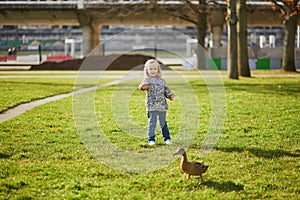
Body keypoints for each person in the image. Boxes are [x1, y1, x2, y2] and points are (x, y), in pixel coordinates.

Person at [138, 59, 174, 146]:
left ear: (158, 70)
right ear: (147, 70)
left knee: (163, 123)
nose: (153, 71)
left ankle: (167, 138)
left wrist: (170, 95)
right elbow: (141, 87)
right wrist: (143, 87)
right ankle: (151, 139)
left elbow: (166, 90)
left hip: (162, 105)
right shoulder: (146, 81)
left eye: (155, 69)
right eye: (151, 69)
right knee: (152, 123)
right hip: (151, 106)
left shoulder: (162, 81)